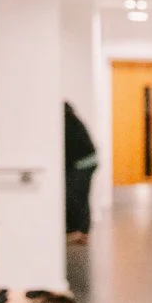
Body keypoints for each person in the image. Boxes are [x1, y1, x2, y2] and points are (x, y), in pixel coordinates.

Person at [64, 101, 97, 244]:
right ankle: (82, 231)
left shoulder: (66, 122)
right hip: (88, 161)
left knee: (75, 196)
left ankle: (77, 232)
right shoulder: (72, 119)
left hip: (82, 163)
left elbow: (69, 148)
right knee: (81, 196)